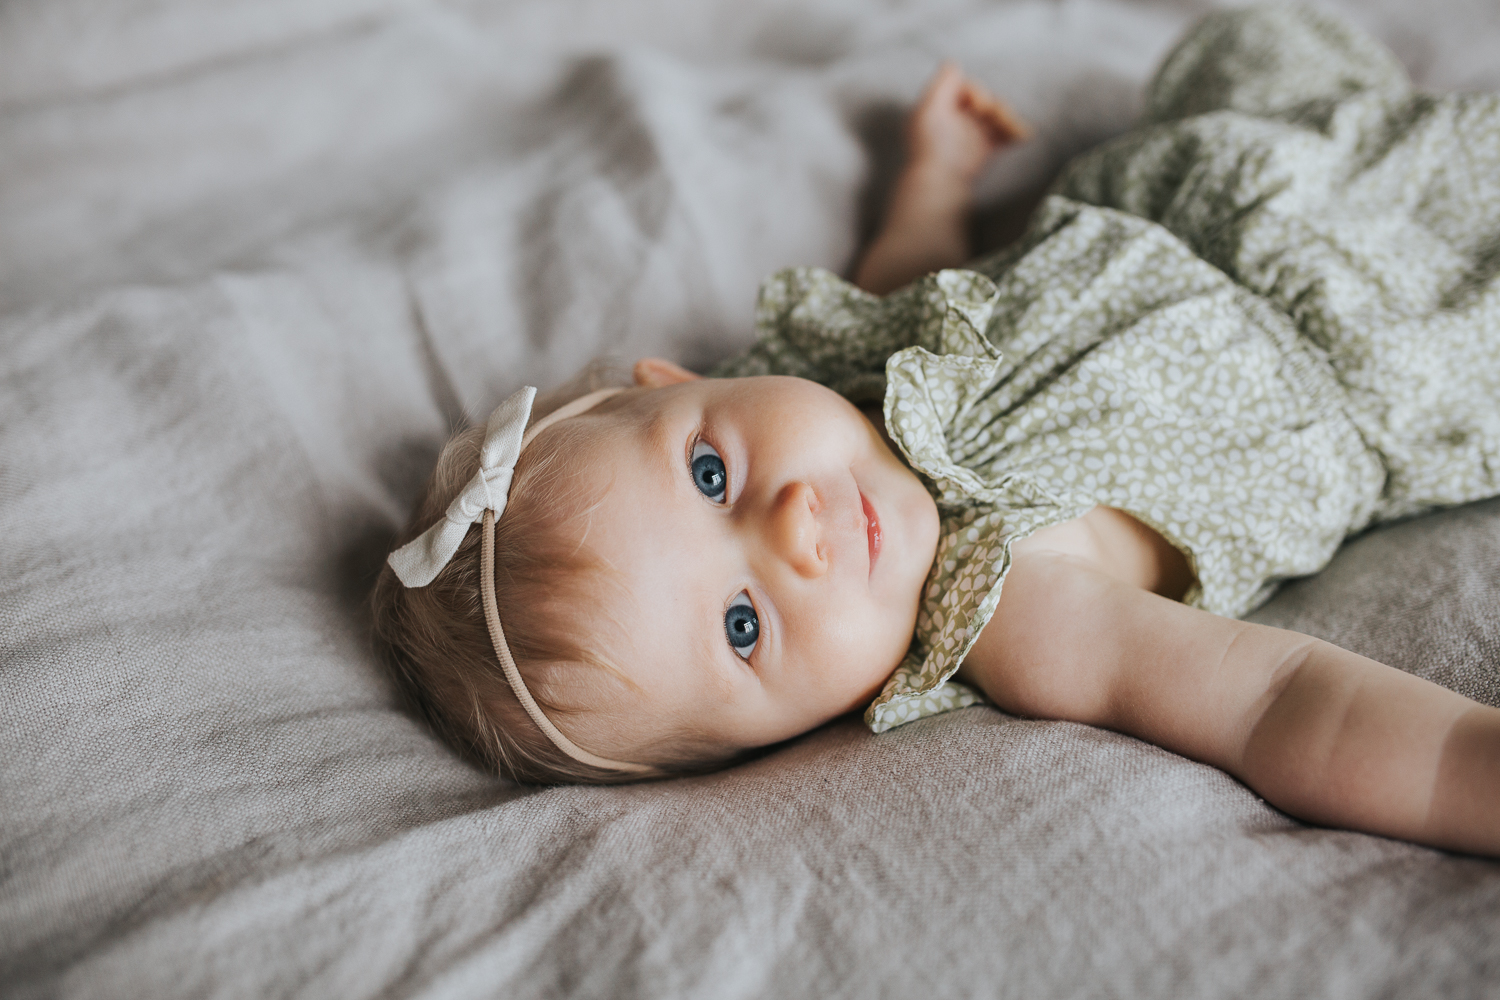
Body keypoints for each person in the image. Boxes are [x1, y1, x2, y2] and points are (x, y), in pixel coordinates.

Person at [372, 5, 1500, 855]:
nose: (798, 527)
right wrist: (1464, 767)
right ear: (792, 735)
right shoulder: (1010, 604)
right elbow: (1275, 702)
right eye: (744, 623)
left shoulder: (835, 381)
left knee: (1247, 35)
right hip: (1388, 337)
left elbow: (912, 280)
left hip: (1204, 185)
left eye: (709, 471)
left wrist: (936, 176)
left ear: (678, 381)